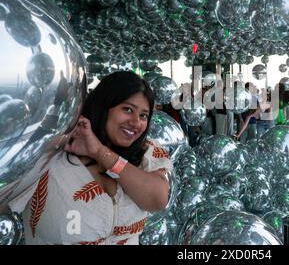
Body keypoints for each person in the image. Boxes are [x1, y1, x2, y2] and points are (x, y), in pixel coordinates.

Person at [7, 71, 172, 244]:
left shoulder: (145, 151)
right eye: (127, 109)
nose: (136, 122)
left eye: (143, 115)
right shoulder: (51, 154)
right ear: (103, 107)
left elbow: (157, 200)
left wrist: (100, 152)